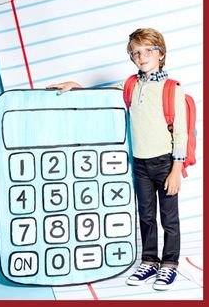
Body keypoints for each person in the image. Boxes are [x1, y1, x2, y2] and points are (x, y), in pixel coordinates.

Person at [47, 28, 187, 291]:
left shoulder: (172, 89)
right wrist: (77, 87)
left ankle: (169, 264)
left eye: (148, 50)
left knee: (169, 218)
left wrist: (176, 169)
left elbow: (180, 131)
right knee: (145, 215)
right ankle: (149, 260)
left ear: (161, 53)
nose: (141, 56)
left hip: (165, 163)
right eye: (135, 52)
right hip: (140, 164)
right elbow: (104, 95)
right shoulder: (131, 85)